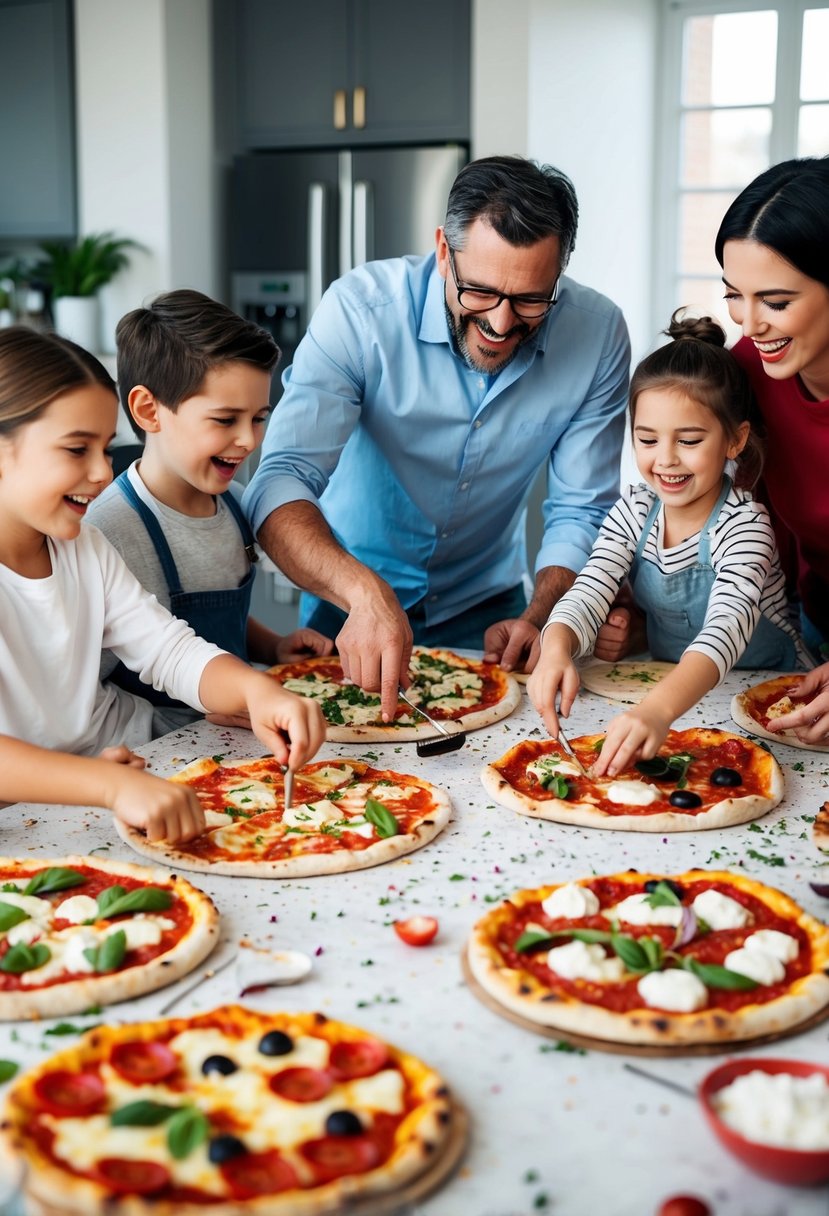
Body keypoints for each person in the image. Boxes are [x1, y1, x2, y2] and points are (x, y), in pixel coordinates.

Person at [243, 155, 631, 721]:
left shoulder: (597, 335)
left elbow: (580, 508)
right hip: (348, 603)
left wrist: (544, 613)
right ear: (444, 253)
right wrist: (364, 593)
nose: (501, 325)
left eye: (530, 301)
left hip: (494, 608)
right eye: (479, 293)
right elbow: (279, 481)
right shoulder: (360, 312)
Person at [0, 326, 326, 842]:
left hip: (125, 768)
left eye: (106, 449)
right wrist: (103, 784)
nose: (102, 473)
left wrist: (258, 691)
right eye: (76, 449)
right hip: (44, 807)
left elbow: (168, 650)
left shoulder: (83, 547)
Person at [527, 312, 808, 777]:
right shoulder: (635, 509)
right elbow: (589, 590)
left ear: (735, 440)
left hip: (773, 703)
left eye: (690, 440)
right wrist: (556, 646)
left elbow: (723, 635)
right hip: (675, 701)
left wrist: (657, 710)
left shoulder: (746, 527)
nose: (666, 459)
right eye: (647, 439)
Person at [87, 289, 332, 737]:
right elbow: (85, 693)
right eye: (225, 420)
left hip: (234, 733)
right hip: (158, 752)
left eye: (259, 418)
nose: (249, 440)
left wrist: (272, 646)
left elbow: (214, 612)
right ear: (149, 411)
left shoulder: (236, 503)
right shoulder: (108, 533)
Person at [715, 155, 829, 745]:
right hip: (810, 624)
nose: (750, 324)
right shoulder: (748, 372)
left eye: (776, 302)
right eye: (735, 294)